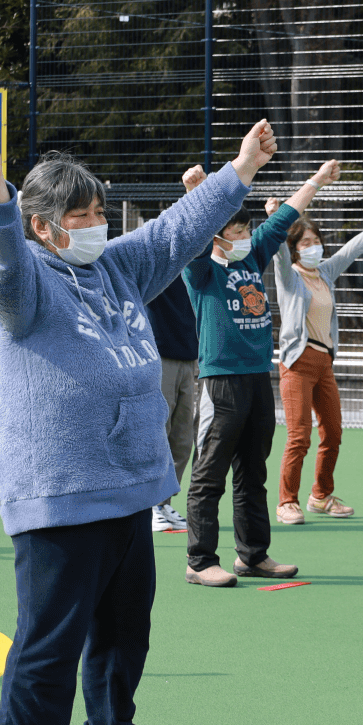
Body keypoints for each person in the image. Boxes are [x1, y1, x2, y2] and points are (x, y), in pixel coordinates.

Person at [0, 119, 277, 725]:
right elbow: (1, 260)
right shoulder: (25, 286)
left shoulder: (111, 267)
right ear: (42, 227)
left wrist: (240, 170)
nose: (97, 226)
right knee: (50, 635)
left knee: (124, 629)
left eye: (101, 213)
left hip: (127, 490)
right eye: (81, 217)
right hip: (57, 493)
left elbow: (174, 232)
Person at [180, 162, 325, 586]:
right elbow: (191, 231)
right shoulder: (201, 269)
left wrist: (316, 181)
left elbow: (284, 219)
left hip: (259, 378)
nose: (246, 237)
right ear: (217, 236)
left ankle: (253, 555)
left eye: (247, 231)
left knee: (252, 471)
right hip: (220, 381)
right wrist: (197, 194)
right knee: (209, 473)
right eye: (238, 232)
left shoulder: (254, 256)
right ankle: (200, 559)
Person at [266, 177, 363, 523]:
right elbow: (278, 250)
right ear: (295, 248)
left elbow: (352, 249)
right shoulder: (289, 275)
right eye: (306, 242)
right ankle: (286, 502)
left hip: (324, 362)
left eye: (316, 241)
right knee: (299, 436)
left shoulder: (325, 273)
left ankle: (321, 496)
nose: (314, 247)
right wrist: (275, 218)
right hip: (297, 363)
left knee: (334, 433)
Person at [147, 164, 210, 533]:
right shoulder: (155, 265)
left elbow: (199, 234)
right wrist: (191, 197)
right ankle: (149, 507)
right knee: (158, 435)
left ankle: (164, 504)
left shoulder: (197, 266)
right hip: (161, 359)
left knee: (183, 440)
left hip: (190, 360)